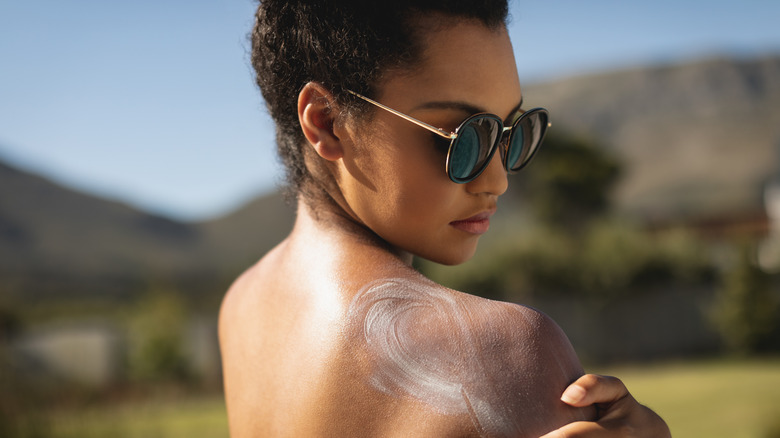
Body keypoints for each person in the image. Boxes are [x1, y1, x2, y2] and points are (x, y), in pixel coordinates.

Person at [219, 0, 672, 436]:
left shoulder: (240, 308)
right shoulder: (504, 353)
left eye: (512, 132)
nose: (497, 180)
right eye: (463, 137)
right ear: (327, 122)